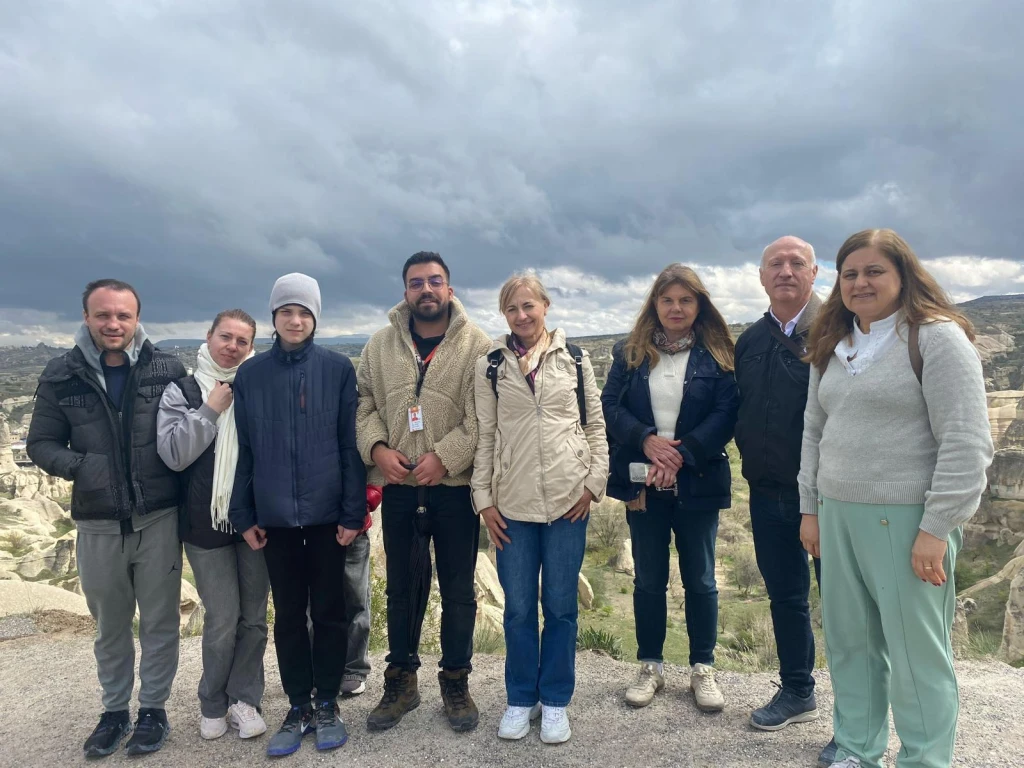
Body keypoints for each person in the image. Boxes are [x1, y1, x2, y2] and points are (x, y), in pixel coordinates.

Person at [798, 229, 994, 768]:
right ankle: (858, 750)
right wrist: (809, 510)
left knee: (915, 655)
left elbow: (967, 442)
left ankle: (924, 760)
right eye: (850, 273)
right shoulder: (834, 344)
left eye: (874, 271)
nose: (861, 282)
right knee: (850, 644)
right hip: (837, 514)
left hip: (907, 518)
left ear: (903, 274)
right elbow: (814, 431)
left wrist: (936, 528)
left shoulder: (935, 338)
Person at [27, 279, 186, 757]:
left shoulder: (167, 368)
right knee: (110, 626)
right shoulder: (61, 375)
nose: (113, 324)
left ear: (137, 318)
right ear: (86, 317)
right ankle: (114, 711)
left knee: (160, 622)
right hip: (96, 522)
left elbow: (190, 430)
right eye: (103, 315)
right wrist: (83, 467)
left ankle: (153, 710)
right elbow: (40, 443)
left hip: (157, 517)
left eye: (123, 315)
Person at [228, 273, 366, 758]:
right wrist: (242, 513)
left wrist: (354, 512)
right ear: (273, 318)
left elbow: (350, 448)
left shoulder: (337, 369)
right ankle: (297, 705)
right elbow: (245, 450)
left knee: (329, 613)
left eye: (304, 312)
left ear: (315, 319)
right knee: (288, 616)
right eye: (286, 311)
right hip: (276, 520)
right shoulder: (251, 375)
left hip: (329, 517)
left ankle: (327, 702)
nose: (295, 319)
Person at [356, 251, 491, 733]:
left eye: (435, 281)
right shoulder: (378, 345)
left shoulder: (479, 346)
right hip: (398, 488)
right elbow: (365, 404)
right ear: (406, 291)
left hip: (453, 491)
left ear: (450, 290)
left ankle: (455, 680)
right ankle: (401, 681)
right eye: (417, 283)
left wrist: (446, 457)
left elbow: (483, 419)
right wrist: (376, 448)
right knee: (402, 589)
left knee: (458, 592)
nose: (426, 290)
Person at [472, 273, 609, 744]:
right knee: (518, 610)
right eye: (512, 309)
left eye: (529, 306)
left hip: (570, 502)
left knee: (561, 607)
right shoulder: (490, 364)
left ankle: (554, 701)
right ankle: (519, 698)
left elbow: (594, 425)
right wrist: (483, 500)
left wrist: (593, 483)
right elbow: (486, 437)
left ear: (545, 306)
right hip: (512, 504)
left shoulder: (574, 359)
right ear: (504, 315)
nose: (522, 316)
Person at [601, 264, 738, 713]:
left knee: (700, 578)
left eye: (685, 300)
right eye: (668, 300)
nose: (676, 308)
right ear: (655, 305)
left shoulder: (716, 354)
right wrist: (646, 440)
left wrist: (681, 454)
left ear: (699, 306)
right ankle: (651, 666)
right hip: (644, 483)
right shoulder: (630, 353)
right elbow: (609, 407)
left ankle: (703, 667)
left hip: (695, 478)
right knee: (648, 578)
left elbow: (726, 413)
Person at [734, 237, 837, 765]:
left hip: (829, 496)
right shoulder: (750, 341)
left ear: (815, 273)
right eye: (776, 263)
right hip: (768, 491)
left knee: (844, 607)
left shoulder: (837, 333)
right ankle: (798, 690)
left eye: (797, 263)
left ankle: (856, 718)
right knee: (785, 598)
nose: (786, 271)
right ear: (761, 276)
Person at [156, 309, 270, 742]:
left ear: (251, 346)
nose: (232, 347)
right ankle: (212, 700)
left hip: (256, 520)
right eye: (226, 337)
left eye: (242, 341)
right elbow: (173, 455)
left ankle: (245, 699)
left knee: (255, 618)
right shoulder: (182, 390)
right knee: (223, 618)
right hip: (204, 525)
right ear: (209, 337)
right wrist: (209, 410)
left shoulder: (258, 387)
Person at [340, 484, 382, 697]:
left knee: (356, 600)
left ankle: (354, 669)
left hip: (355, 524)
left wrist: (359, 508)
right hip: (313, 524)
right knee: (313, 604)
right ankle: (316, 669)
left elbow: (375, 474)